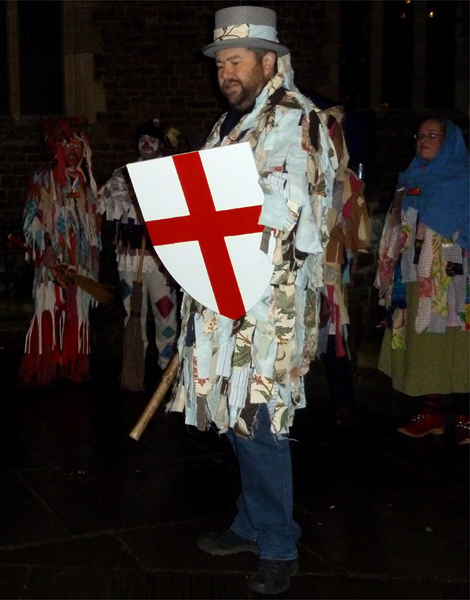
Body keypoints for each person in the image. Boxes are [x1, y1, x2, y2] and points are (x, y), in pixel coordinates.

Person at [166, 7, 338, 595]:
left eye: (236, 62)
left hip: (270, 311)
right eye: (220, 64)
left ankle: (279, 543)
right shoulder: (230, 125)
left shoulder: (299, 122)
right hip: (226, 304)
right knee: (238, 420)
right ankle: (250, 522)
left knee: (260, 419)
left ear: (270, 61)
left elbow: (293, 214)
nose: (226, 74)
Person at [374, 116, 469, 445]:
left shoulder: (462, 178)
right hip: (414, 275)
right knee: (421, 340)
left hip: (452, 276)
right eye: (420, 135)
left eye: (433, 135)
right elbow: (396, 224)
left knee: (455, 342)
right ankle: (431, 413)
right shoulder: (410, 178)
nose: (424, 140)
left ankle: (465, 415)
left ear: (449, 141)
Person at [19, 117, 102, 387]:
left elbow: (95, 223)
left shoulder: (88, 183)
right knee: (48, 308)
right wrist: (47, 247)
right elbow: (31, 217)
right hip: (52, 261)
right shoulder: (43, 178)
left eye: (79, 146)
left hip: (81, 262)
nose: (74, 151)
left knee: (77, 313)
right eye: (68, 146)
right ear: (58, 149)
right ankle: (43, 370)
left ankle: (74, 368)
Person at [97, 118, 179, 381]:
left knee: (165, 312)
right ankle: (136, 368)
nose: (146, 144)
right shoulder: (123, 176)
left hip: (161, 259)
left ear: (160, 144)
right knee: (133, 314)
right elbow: (111, 211)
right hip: (130, 260)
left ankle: (166, 369)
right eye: (142, 140)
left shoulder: (171, 174)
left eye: (151, 140)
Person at [317, 107, 371, 426]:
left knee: (334, 332)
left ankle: (343, 400)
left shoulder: (346, 184)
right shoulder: (295, 179)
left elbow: (357, 234)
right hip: (293, 270)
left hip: (329, 269)